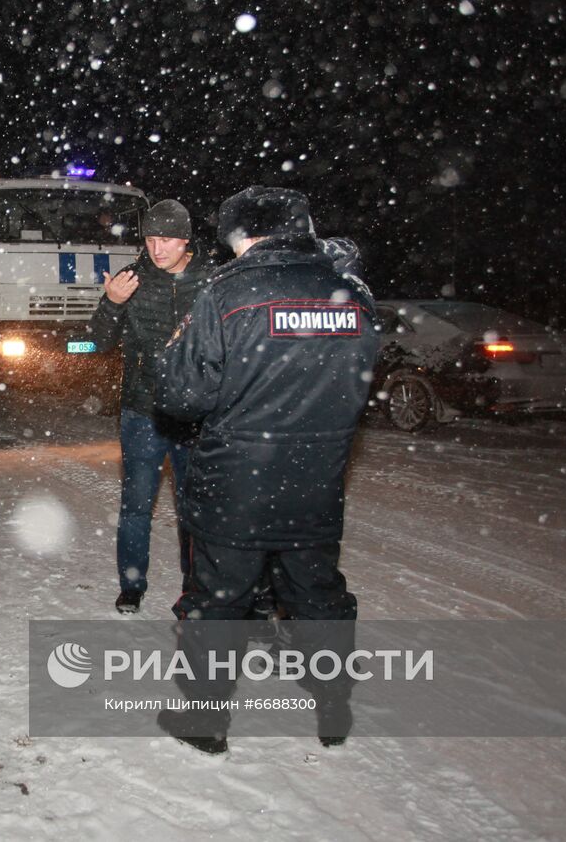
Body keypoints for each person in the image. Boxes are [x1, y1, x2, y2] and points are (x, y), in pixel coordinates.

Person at [154, 188, 379, 752]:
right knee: (318, 594)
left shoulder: (229, 292)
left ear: (242, 235)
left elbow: (181, 393)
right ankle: (334, 708)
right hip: (318, 477)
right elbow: (359, 380)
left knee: (221, 601)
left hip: (238, 481)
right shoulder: (350, 293)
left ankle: (206, 723)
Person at [87, 200, 213, 614]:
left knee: (195, 509)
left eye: (167, 240)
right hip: (143, 412)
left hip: (195, 413)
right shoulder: (132, 279)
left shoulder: (212, 282)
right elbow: (96, 342)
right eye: (151, 239)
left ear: (187, 239)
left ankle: (194, 586)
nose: (158, 249)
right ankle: (132, 584)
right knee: (137, 504)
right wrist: (111, 303)